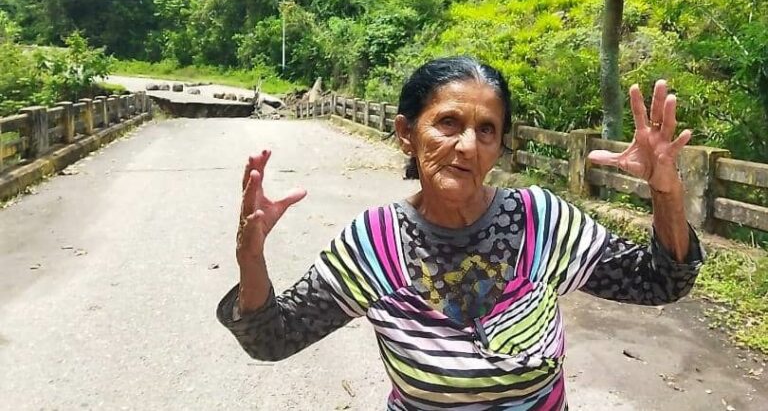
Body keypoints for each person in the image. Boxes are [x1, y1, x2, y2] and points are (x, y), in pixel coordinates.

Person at [217, 57, 704, 410]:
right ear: (407, 133)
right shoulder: (374, 245)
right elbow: (271, 339)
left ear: (499, 147)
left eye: (487, 130)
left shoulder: (541, 222)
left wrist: (667, 192)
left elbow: (660, 281)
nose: (467, 146)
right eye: (448, 123)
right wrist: (250, 258)